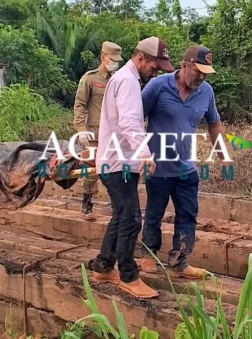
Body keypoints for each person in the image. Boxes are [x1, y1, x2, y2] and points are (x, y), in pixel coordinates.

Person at [88, 36, 175, 299]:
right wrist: (145, 154)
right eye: (154, 66)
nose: (155, 71)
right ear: (140, 58)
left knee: (121, 215)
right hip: (118, 163)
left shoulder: (128, 80)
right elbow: (129, 123)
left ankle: (103, 266)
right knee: (131, 218)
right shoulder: (126, 82)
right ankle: (128, 275)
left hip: (118, 161)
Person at [139, 45, 227, 279]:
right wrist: (139, 153)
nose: (202, 76)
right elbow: (135, 119)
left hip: (186, 168)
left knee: (188, 214)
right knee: (155, 213)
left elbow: (214, 125)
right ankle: (148, 255)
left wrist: (224, 156)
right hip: (157, 166)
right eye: (198, 71)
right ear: (184, 65)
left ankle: (180, 262)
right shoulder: (158, 86)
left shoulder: (206, 92)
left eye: (205, 72)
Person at [73, 41, 124, 221]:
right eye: (112, 60)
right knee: (91, 171)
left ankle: (115, 205)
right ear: (103, 58)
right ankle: (86, 205)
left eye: (117, 61)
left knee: (115, 170)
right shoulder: (90, 78)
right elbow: (79, 105)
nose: (115, 64)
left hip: (114, 135)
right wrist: (81, 129)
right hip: (95, 133)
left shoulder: (119, 79)